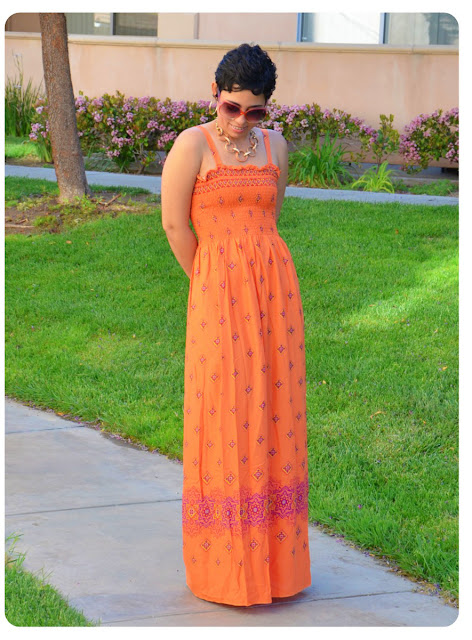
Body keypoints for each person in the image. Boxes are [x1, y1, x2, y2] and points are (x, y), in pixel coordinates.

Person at [161, 43, 311, 607]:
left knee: (275, 412)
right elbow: (175, 225)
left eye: (255, 110)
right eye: (232, 107)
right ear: (215, 95)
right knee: (224, 413)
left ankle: (277, 567)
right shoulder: (191, 145)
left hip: (275, 296)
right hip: (216, 294)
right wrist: (209, 279)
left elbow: (272, 215)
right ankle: (226, 569)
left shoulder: (276, 146)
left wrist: (254, 272)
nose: (242, 120)